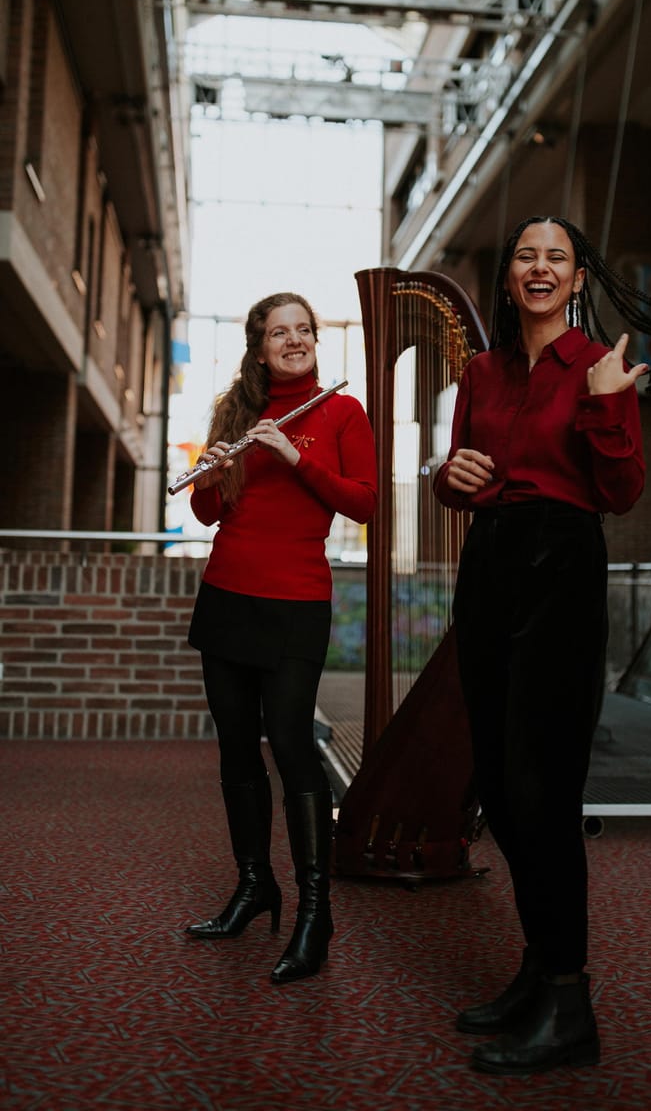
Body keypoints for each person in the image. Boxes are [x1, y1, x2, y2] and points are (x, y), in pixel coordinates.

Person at [433, 215, 651, 1075]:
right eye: (527, 255)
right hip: (490, 564)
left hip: (562, 565)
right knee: (496, 786)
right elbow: (462, 475)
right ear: (509, 277)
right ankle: (538, 967)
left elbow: (620, 492)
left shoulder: (600, 365)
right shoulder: (481, 372)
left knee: (540, 789)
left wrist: (603, 402)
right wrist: (450, 479)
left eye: (557, 256)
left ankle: (568, 1002)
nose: (541, 266)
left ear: (579, 278)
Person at [184, 291, 377, 985]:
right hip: (226, 596)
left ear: (315, 341)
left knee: (293, 748)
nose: (294, 341)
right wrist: (212, 474)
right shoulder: (236, 413)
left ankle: (314, 915)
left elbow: (364, 503)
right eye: (279, 333)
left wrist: (295, 457)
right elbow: (209, 512)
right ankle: (254, 885)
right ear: (260, 348)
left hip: (296, 602)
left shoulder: (341, 412)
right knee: (236, 749)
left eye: (303, 330)